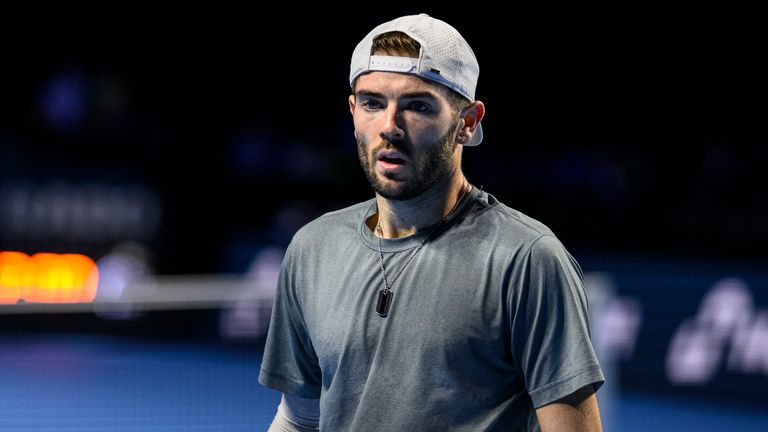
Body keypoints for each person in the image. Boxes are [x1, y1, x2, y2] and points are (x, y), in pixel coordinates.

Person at [258, 13, 604, 432]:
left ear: (468, 122)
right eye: (372, 103)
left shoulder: (528, 260)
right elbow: (298, 420)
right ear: (353, 112)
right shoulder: (312, 249)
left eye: (417, 106)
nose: (389, 127)